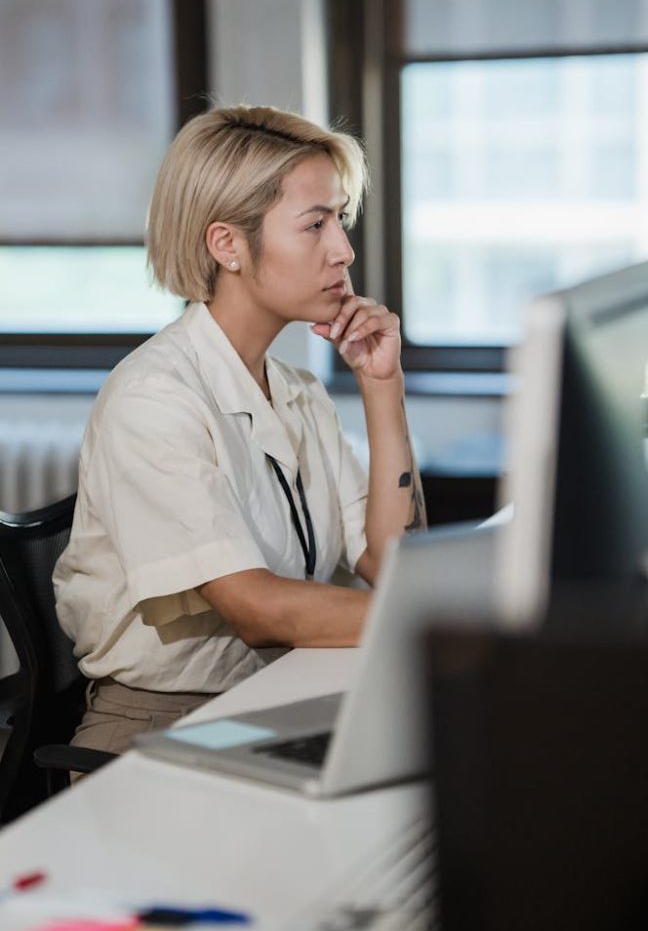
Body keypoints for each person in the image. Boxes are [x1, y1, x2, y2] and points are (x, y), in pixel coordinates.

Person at [53, 104, 426, 757]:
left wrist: (381, 385)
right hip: (162, 723)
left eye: (338, 219)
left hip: (284, 692)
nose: (343, 249)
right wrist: (442, 624)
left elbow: (389, 562)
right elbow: (259, 611)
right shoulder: (154, 398)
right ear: (226, 245)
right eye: (314, 224)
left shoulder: (296, 390)